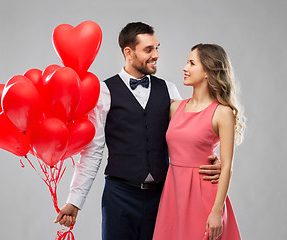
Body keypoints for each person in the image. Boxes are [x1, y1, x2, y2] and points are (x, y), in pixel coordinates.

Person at [54, 23, 221, 240]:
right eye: (148, 50)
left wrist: (213, 158)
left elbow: (192, 131)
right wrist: (74, 201)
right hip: (119, 196)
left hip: (163, 196)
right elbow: (93, 151)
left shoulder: (169, 90)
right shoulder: (104, 92)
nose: (156, 55)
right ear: (128, 52)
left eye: (157, 48)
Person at [152, 43, 245, 240]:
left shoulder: (222, 112)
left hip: (204, 196)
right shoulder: (175, 108)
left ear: (207, 72)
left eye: (192, 63)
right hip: (173, 194)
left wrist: (217, 211)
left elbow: (227, 165)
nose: (185, 68)